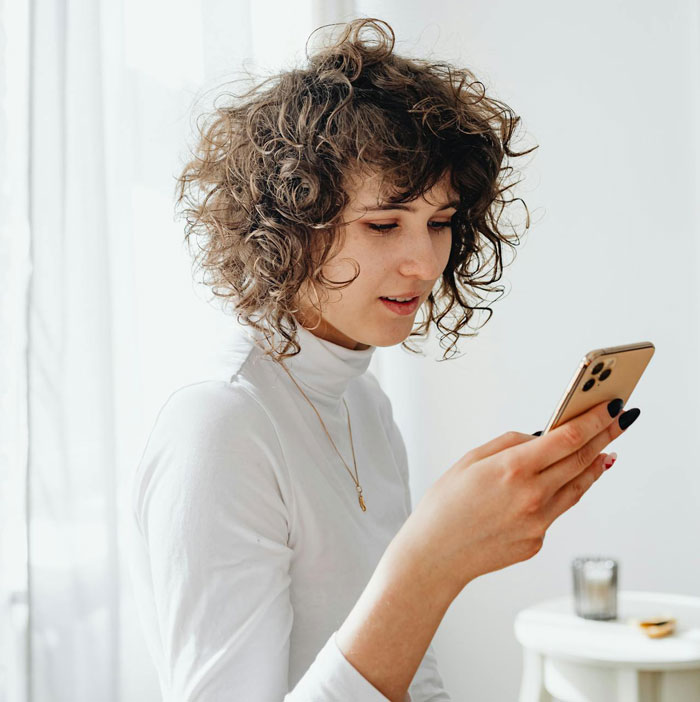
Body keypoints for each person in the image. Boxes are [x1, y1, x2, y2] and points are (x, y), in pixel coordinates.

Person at [125, 17, 641, 702]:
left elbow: (412, 677)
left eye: (440, 222)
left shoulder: (365, 405)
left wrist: (441, 556)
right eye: (383, 224)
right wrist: (432, 563)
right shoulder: (220, 425)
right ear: (290, 226)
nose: (424, 261)